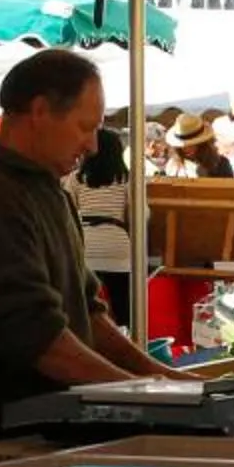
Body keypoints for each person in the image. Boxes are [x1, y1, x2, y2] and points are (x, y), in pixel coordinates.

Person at [0, 49, 160, 450]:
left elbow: (87, 313)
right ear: (39, 111)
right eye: (84, 127)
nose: (92, 145)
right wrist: (144, 391)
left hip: (48, 428)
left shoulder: (49, 190)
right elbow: (38, 337)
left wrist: (165, 381)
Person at [68, 126, 135, 323]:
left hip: (86, 247)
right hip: (117, 246)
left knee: (87, 310)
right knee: (124, 309)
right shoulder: (127, 179)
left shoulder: (76, 178)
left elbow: (68, 212)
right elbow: (140, 215)